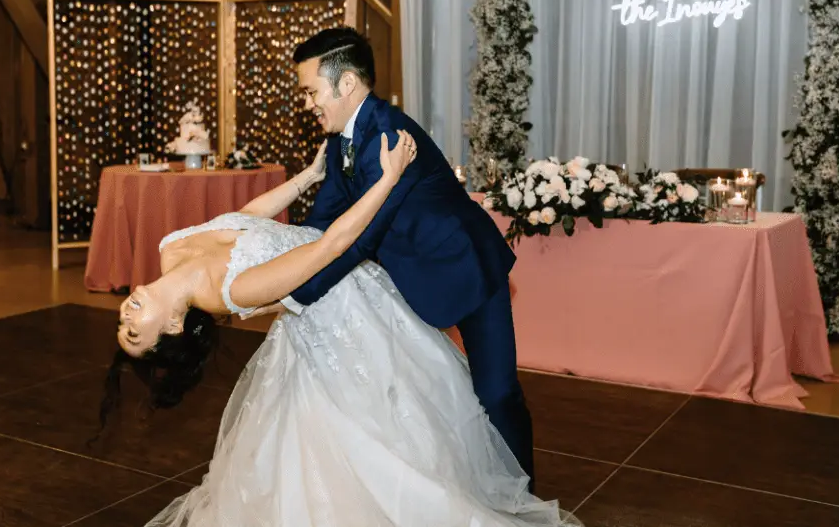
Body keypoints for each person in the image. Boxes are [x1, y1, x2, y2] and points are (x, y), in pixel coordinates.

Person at [103, 132, 577, 526]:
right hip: (343, 308)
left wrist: (307, 177)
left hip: (342, 288)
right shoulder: (231, 291)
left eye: (122, 324)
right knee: (372, 431)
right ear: (173, 325)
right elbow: (330, 246)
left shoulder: (169, 250)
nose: (126, 316)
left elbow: (243, 219)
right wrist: (388, 179)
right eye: (135, 332)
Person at [279, 27, 538, 488]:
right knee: (422, 395)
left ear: (346, 83)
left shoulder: (390, 136)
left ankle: (522, 497)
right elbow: (322, 224)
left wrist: (295, 292)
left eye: (310, 91)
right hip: (411, 275)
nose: (307, 103)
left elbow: (360, 239)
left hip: (467, 265)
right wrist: (282, 262)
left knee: (497, 394)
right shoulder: (341, 140)